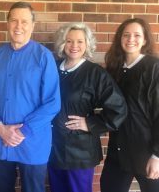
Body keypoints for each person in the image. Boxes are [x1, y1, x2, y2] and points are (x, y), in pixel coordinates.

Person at [0, 1, 61, 192]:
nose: (19, 26)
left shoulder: (43, 56)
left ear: (33, 25)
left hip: (33, 142)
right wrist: (0, 127)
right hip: (1, 141)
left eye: (24, 21)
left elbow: (52, 103)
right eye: (14, 21)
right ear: (7, 23)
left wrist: (22, 131)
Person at [47, 22, 127, 192]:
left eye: (80, 41)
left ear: (87, 44)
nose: (74, 46)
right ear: (62, 43)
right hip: (53, 147)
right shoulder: (52, 68)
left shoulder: (95, 73)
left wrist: (89, 123)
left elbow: (118, 109)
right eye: (69, 41)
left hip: (80, 153)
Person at [100, 18, 159, 192]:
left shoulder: (156, 68)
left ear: (145, 40)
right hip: (118, 152)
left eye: (137, 35)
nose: (131, 39)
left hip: (148, 153)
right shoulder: (114, 69)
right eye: (126, 35)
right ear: (120, 39)